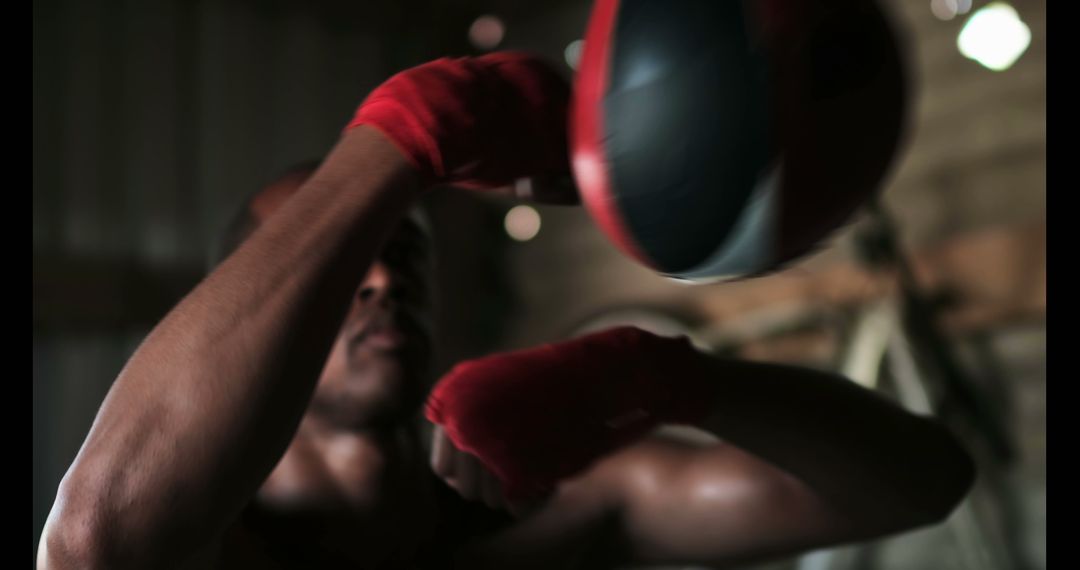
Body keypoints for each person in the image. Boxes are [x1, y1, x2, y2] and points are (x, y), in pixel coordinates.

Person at [37, 53, 974, 570]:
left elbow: (924, 484)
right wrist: (405, 136)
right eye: (344, 266)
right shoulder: (222, 552)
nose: (381, 278)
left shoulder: (550, 514)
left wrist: (665, 376)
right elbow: (91, 551)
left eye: (403, 252)